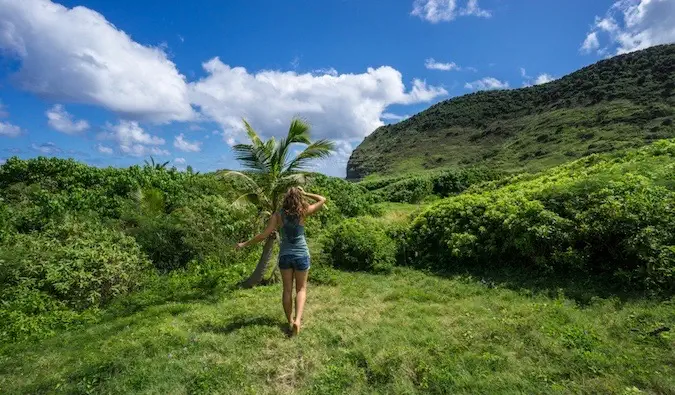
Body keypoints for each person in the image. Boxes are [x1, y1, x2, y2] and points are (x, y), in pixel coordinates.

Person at [236, 186, 326, 336]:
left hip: (285, 256)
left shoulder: (277, 216)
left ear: (285, 199)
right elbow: (322, 199)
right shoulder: (304, 212)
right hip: (301, 255)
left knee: (287, 290)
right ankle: (298, 320)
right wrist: (305, 193)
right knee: (301, 289)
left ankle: (290, 321)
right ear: (299, 198)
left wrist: (244, 244)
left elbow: (263, 235)